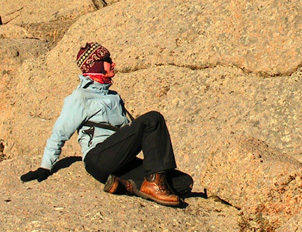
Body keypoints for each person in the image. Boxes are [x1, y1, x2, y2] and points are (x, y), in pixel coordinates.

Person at [20, 42, 190, 207]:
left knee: (183, 183)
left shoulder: (114, 97)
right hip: (99, 158)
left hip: (121, 159)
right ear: (96, 66)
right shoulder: (80, 97)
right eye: (108, 60)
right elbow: (59, 133)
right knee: (153, 119)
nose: (113, 63)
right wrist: (45, 166)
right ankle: (150, 185)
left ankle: (125, 185)